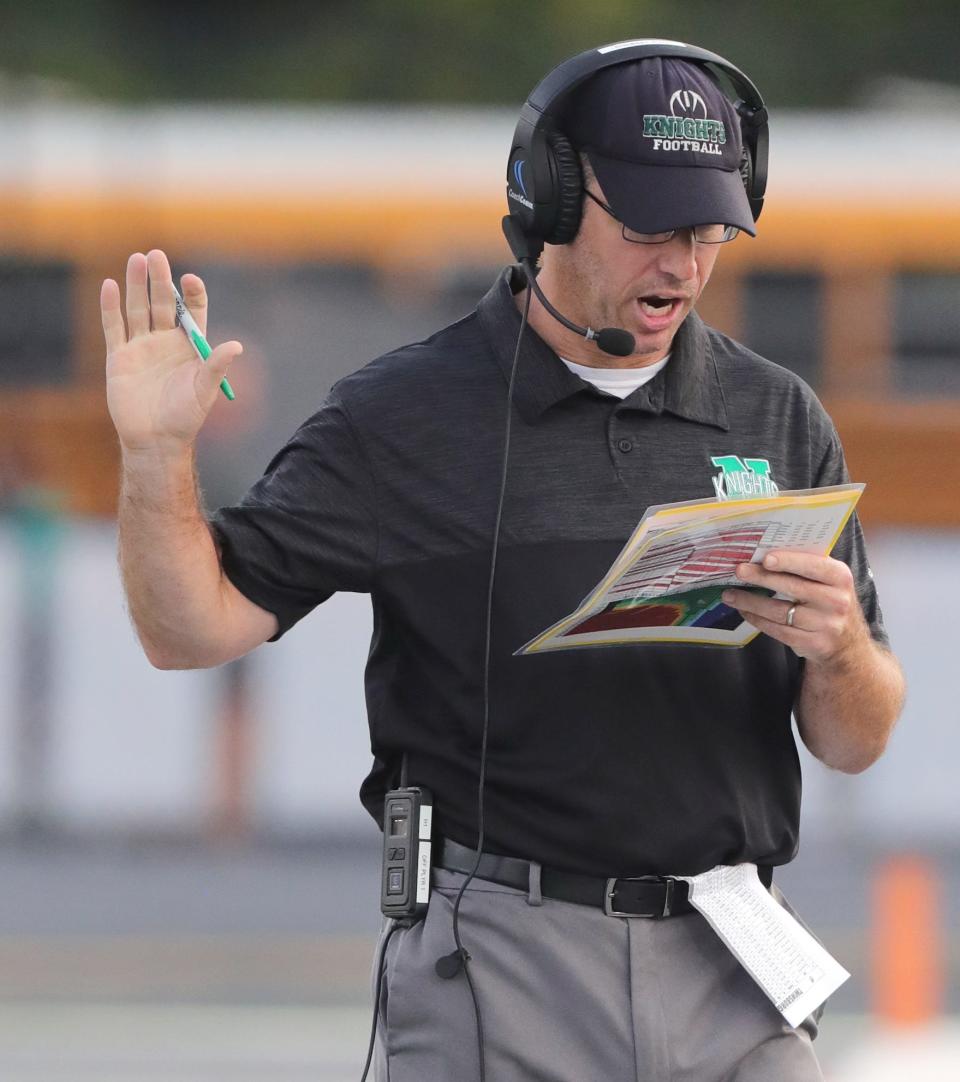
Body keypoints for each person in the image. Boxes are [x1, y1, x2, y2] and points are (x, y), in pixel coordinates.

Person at [102, 40, 905, 1082]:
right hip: (503, 955)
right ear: (551, 197)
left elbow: (853, 740)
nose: (683, 263)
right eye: (650, 226)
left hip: (734, 957)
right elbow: (189, 626)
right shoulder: (401, 416)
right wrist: (154, 452)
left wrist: (841, 649)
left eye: (708, 230)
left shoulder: (780, 415)